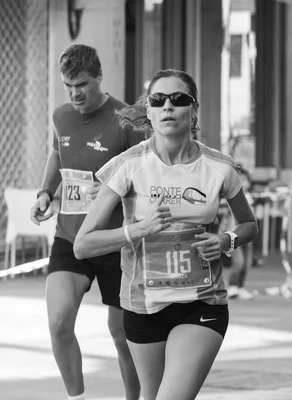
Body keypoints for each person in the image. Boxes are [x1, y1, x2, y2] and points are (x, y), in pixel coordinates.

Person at [73, 68, 258, 400]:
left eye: (179, 99)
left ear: (194, 108)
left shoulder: (220, 167)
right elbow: (83, 245)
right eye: (158, 100)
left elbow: (248, 225)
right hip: (144, 306)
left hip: (202, 302)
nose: (168, 107)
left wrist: (225, 240)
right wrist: (139, 230)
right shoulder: (129, 165)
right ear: (149, 111)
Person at [29, 44, 143, 400]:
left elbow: (145, 178)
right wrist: (46, 192)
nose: (75, 93)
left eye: (81, 83)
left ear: (99, 78)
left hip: (114, 240)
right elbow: (57, 153)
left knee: (122, 334)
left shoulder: (126, 119)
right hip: (69, 236)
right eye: (68, 85)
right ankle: (76, 397)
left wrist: (113, 191)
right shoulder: (61, 116)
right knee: (59, 324)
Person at [223, 167, 256, 300]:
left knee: (247, 264)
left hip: (248, 235)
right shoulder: (233, 197)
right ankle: (232, 286)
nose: (244, 183)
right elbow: (227, 216)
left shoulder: (251, 197)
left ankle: (241, 287)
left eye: (246, 180)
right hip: (235, 234)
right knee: (239, 262)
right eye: (241, 180)